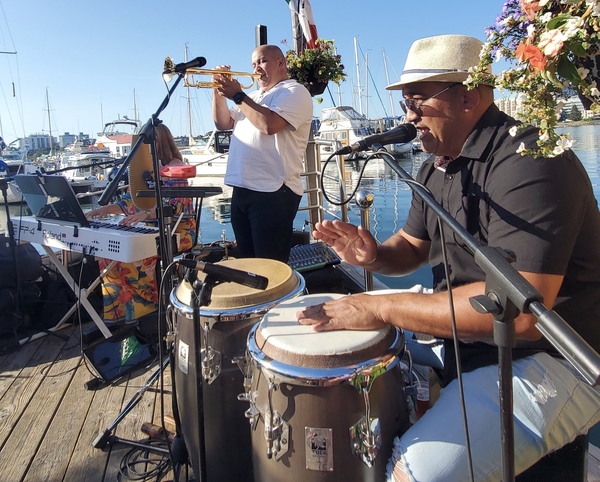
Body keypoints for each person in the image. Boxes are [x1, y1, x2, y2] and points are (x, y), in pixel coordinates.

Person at [296, 34, 600, 481]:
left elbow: (517, 312)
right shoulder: (437, 164)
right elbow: (412, 248)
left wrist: (377, 305)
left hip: (555, 358)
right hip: (473, 343)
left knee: (415, 473)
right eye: (405, 103)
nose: (409, 115)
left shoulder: (531, 161)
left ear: (469, 97)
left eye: (418, 100)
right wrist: (374, 255)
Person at [211, 44, 313, 262]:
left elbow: (269, 125)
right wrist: (218, 91)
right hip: (243, 187)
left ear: (280, 63)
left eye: (262, 61)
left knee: (271, 266)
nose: (257, 68)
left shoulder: (295, 92)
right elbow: (222, 122)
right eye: (254, 64)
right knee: (249, 264)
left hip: (274, 189)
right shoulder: (254, 96)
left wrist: (238, 95)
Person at [86, 123, 196, 323]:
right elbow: (129, 201)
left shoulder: (176, 168)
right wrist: (103, 210)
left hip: (180, 230)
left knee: (134, 257)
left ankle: (146, 312)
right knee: (106, 254)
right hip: (152, 229)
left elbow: (176, 205)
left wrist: (146, 214)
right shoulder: (145, 171)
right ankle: (116, 313)